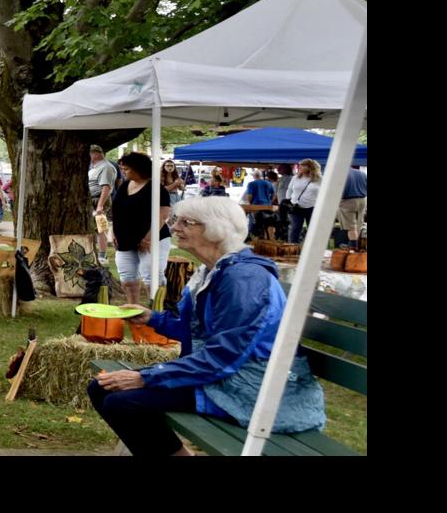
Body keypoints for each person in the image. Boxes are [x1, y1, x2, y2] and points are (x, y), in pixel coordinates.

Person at [89, 196, 325, 455]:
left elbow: (225, 355)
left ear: (217, 230)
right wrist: (152, 318)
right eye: (175, 220)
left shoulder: (244, 279)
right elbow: (200, 332)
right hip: (222, 375)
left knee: (123, 402)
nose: (175, 227)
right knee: (102, 388)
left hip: (251, 388)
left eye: (186, 222)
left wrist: (145, 377)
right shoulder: (217, 270)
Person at [109, 152, 172, 307]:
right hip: (125, 240)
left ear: (139, 169)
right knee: (127, 277)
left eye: (126, 169)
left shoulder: (157, 189)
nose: (123, 171)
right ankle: (132, 307)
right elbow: (116, 211)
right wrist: (113, 232)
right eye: (122, 168)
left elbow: (162, 216)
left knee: (151, 276)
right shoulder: (124, 185)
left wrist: (148, 238)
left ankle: (156, 310)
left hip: (152, 239)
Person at [284, 158, 321, 244]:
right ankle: (293, 247)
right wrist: (289, 201)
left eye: (303, 165)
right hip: (296, 206)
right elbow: (289, 190)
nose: (300, 167)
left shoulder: (319, 179)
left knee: (312, 229)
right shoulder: (296, 177)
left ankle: (312, 246)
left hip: (312, 207)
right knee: (295, 227)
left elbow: (324, 192)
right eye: (300, 165)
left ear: (310, 167)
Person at [337, 163, 367, 248]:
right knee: (358, 224)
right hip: (362, 200)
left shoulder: (341, 174)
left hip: (348, 201)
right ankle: (356, 244)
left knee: (351, 226)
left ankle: (353, 246)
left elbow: (340, 190)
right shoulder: (361, 173)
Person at [242, 170, 276, 237]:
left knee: (255, 223)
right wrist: (270, 201)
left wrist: (249, 203)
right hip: (267, 207)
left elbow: (249, 196)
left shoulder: (251, 184)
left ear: (254, 176)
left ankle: (255, 237)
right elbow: (274, 194)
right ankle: (266, 238)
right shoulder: (268, 183)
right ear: (261, 176)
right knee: (266, 224)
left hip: (255, 206)